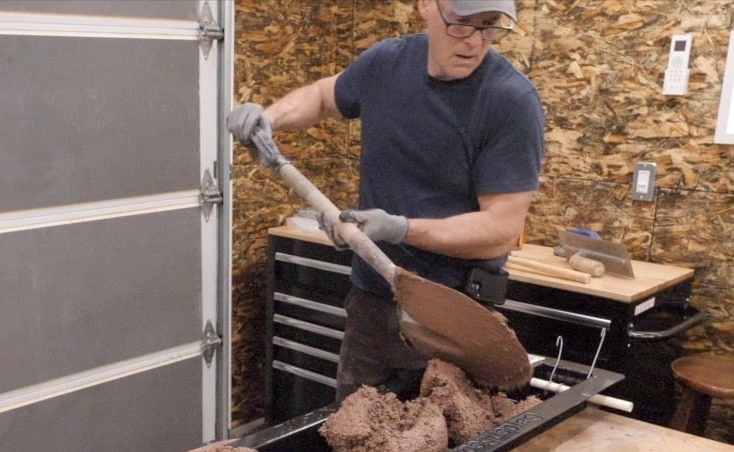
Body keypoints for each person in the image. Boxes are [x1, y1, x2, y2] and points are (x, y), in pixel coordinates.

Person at [228, 0, 544, 400]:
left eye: (490, 25)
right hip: (372, 309)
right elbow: (324, 96)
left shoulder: (510, 100)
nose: (474, 41)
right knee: (354, 432)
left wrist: (400, 229)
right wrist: (269, 119)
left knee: (441, 439)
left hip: (452, 321)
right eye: (462, 23)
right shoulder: (387, 64)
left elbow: (501, 229)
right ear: (426, 6)